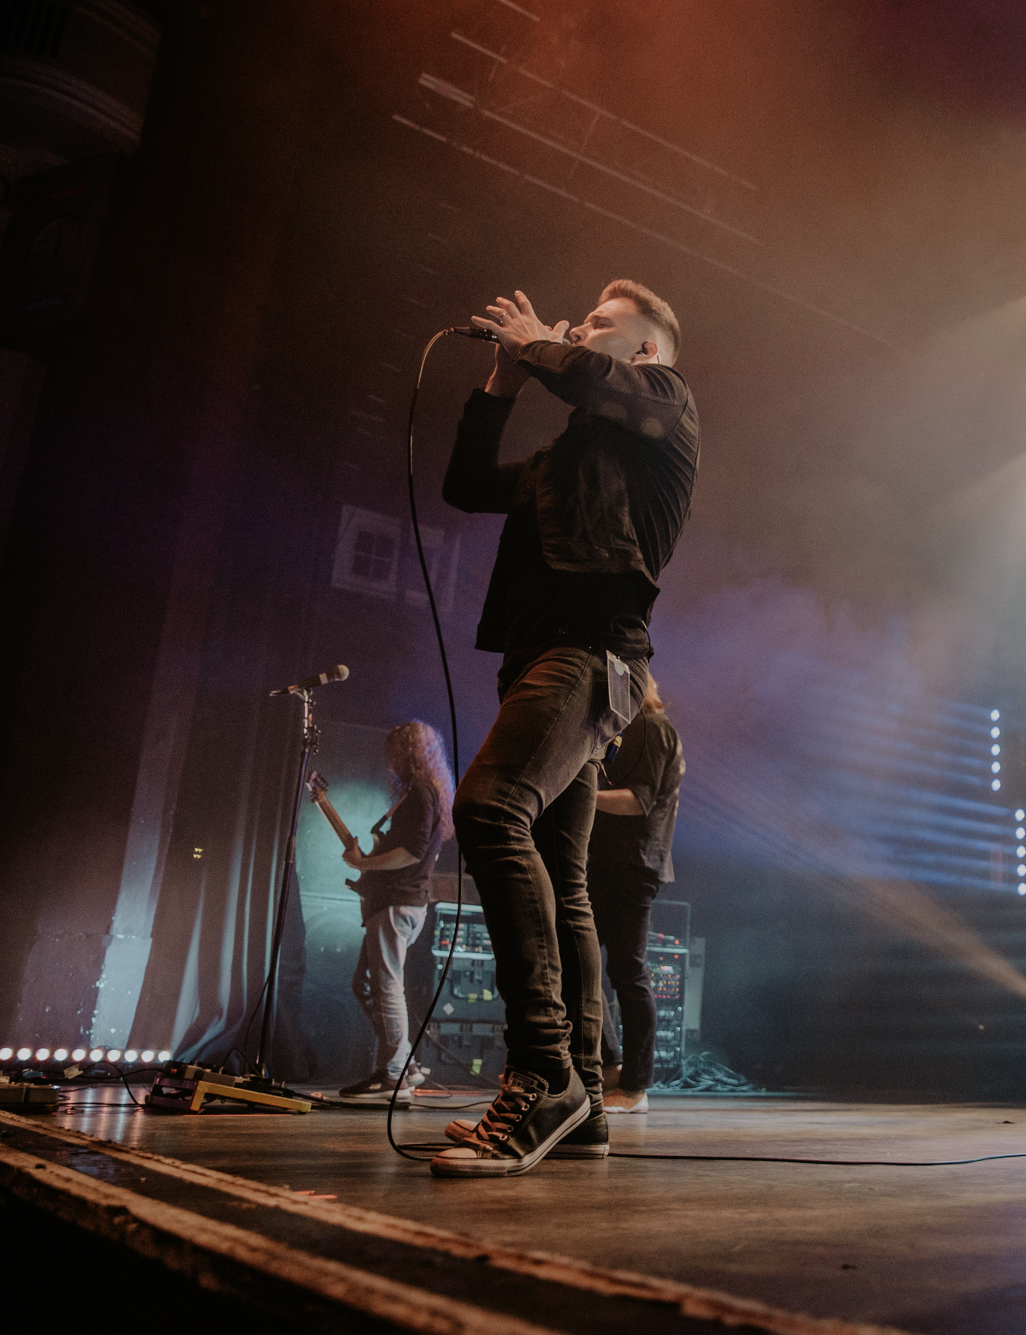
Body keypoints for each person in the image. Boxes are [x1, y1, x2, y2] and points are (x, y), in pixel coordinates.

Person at [434, 280, 698, 1177]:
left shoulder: (665, 400)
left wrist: (539, 345)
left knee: (487, 808)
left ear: (645, 350)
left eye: (600, 325)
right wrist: (501, 383)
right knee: (562, 876)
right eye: (580, 323)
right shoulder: (565, 456)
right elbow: (466, 483)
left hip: (589, 653)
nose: (580, 330)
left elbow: (596, 381)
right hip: (540, 658)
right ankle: (582, 1098)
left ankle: (543, 1070)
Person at [579, 674, 685, 1115]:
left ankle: (636, 1086)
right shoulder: (626, 734)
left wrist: (583, 791)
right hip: (612, 863)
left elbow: (639, 801)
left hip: (633, 863)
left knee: (626, 970)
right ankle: (610, 1065)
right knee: (581, 960)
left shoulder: (652, 727)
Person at [337, 720, 452, 1101]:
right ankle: (406, 1065)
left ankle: (392, 1075)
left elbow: (412, 852)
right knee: (365, 984)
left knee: (386, 987)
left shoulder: (420, 792)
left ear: (411, 752)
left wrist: (364, 864)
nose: (391, 761)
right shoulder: (418, 793)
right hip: (394, 901)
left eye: (396, 752)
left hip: (398, 902)